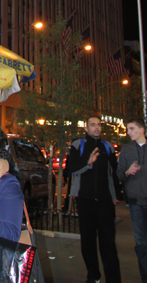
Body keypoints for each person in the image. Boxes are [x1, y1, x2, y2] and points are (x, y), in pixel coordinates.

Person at [69, 116, 121, 283]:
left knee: (108, 243)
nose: (97, 128)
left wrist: (115, 196)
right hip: (85, 200)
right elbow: (71, 167)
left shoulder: (108, 147)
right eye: (93, 125)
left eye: (98, 125)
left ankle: (113, 278)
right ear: (86, 128)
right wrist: (88, 161)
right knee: (88, 241)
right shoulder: (78, 145)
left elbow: (114, 173)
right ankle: (93, 275)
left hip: (105, 201)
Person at [117, 117, 147, 283]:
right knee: (141, 243)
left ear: (142, 130)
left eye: (132, 129)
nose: (129, 133)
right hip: (135, 202)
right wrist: (127, 172)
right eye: (128, 129)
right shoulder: (126, 150)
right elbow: (119, 174)